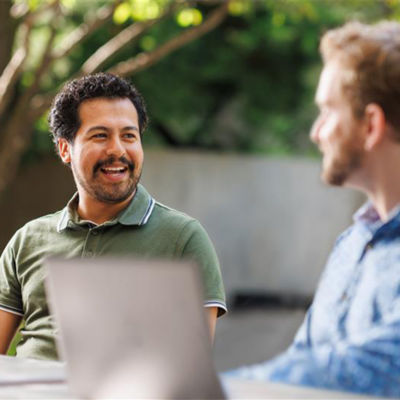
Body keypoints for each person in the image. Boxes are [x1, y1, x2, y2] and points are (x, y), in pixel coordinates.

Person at [225, 21, 400, 398]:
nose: (316, 132)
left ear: (371, 124)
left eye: (327, 111)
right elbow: (306, 363)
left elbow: (383, 366)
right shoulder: (349, 246)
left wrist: (216, 390)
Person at [0, 73, 226, 360]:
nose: (118, 150)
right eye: (100, 135)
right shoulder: (28, 240)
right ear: (65, 149)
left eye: (129, 136)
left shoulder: (182, 239)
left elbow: (189, 370)